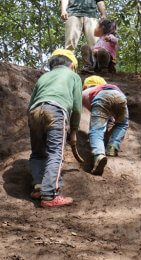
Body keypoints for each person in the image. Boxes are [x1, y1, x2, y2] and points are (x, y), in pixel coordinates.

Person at [28, 49, 82, 208]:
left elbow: (31, 103)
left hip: (34, 112)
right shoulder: (73, 76)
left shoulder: (44, 77)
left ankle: (38, 187)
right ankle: (49, 194)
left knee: (37, 154)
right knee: (55, 153)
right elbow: (77, 108)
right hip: (56, 110)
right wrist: (73, 130)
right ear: (72, 65)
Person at [82, 76, 129, 175]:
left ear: (85, 86)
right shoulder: (108, 86)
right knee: (122, 123)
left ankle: (98, 155)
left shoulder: (85, 92)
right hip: (119, 95)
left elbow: (76, 109)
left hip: (101, 98)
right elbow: (110, 117)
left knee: (97, 129)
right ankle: (112, 147)